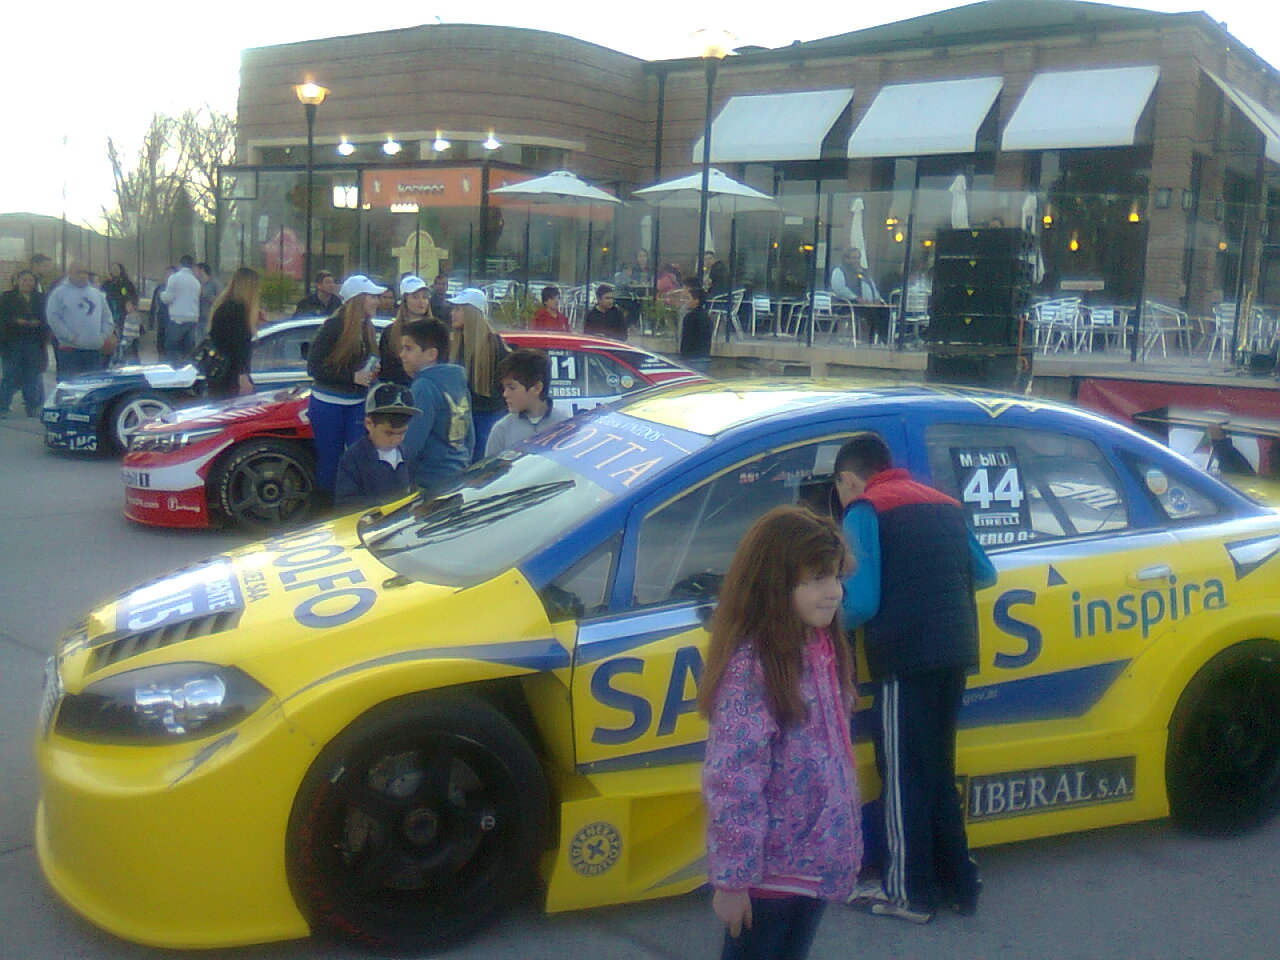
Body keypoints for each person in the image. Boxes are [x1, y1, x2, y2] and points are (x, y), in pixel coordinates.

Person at [834, 431, 996, 924]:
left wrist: (816, 615)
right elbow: (984, 572)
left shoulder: (864, 510)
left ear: (848, 477)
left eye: (837, 487)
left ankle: (907, 893)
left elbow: (860, 602)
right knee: (937, 771)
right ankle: (958, 884)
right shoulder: (945, 504)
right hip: (955, 653)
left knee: (902, 775)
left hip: (906, 657)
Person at [698, 504, 863, 960]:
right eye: (816, 580)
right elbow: (732, 779)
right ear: (773, 585)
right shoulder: (753, 667)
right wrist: (732, 881)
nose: (833, 592)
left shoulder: (821, 648)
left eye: (835, 578)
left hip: (811, 865)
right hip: (766, 876)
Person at [306, 274, 386, 496]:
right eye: (372, 296)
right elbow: (314, 368)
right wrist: (351, 377)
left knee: (360, 457)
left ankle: (353, 507)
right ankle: (327, 512)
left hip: (358, 403)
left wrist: (372, 372)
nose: (377, 301)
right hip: (328, 404)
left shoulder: (367, 328)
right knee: (330, 461)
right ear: (358, 299)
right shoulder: (333, 326)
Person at [399, 318, 473, 488]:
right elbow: (469, 434)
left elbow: (411, 441)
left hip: (429, 479)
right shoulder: (457, 381)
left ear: (431, 354)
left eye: (408, 348)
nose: (402, 354)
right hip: (459, 471)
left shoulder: (424, 386)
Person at [334, 382, 422, 511]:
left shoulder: (406, 453)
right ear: (369, 424)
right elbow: (346, 504)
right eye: (389, 433)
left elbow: (414, 488)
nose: (396, 440)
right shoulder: (353, 458)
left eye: (402, 432)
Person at [446, 287, 509, 459]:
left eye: (458, 309)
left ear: (472, 312)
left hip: (488, 417)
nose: (453, 313)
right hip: (463, 416)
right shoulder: (456, 343)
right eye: (453, 309)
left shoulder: (494, 345)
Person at [484, 348, 571, 456]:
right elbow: (491, 471)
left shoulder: (565, 425)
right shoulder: (502, 430)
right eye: (504, 387)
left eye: (512, 387)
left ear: (536, 388)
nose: (505, 394)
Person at [45, 262, 115, 378]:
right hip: (70, 351)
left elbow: (107, 318)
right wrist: (69, 337)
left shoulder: (97, 294)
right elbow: (53, 318)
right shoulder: (59, 294)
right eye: (79, 272)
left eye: (85, 273)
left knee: (92, 388)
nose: (83, 276)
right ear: (70, 273)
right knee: (70, 389)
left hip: (94, 352)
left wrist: (102, 337)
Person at [205, 267, 262, 400]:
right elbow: (238, 346)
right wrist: (242, 375)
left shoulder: (223, 306)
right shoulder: (238, 310)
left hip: (221, 373)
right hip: (232, 376)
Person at [0, 270, 49, 417]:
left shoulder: (41, 298)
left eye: (30, 280)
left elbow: (47, 318)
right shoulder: (7, 298)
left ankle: (33, 406)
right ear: (17, 281)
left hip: (34, 341)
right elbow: (2, 318)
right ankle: (3, 406)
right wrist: (15, 321)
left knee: (33, 375)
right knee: (11, 374)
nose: (27, 283)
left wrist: (38, 323)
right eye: (24, 280)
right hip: (12, 342)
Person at [379, 275, 433, 385]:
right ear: (404, 301)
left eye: (424, 297)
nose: (422, 301)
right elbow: (385, 370)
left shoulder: (437, 330)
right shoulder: (390, 332)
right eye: (415, 297)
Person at [831, 249, 887, 344]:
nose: (856, 260)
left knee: (885, 311)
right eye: (854, 258)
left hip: (869, 303)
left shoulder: (864, 272)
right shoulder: (839, 271)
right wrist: (856, 298)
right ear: (846, 259)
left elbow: (873, 286)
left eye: (858, 258)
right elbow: (839, 289)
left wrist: (877, 298)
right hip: (848, 303)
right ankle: (872, 339)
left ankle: (882, 339)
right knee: (872, 313)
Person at [160, 254, 202, 362]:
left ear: (180, 264)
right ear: (191, 266)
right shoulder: (196, 282)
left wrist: (162, 295)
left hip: (177, 319)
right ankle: (187, 370)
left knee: (170, 347)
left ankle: (175, 370)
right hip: (193, 318)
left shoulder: (174, 278)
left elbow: (168, 298)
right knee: (188, 350)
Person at [678, 282, 713, 373]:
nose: (686, 301)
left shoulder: (690, 317)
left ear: (696, 301)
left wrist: (682, 357)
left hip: (691, 359)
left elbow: (686, 339)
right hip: (704, 357)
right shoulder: (707, 317)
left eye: (688, 298)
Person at [102, 263, 137, 341]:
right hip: (110, 308)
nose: (114, 271)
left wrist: (130, 303)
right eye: (113, 269)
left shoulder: (126, 282)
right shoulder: (107, 283)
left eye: (116, 269)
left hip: (122, 309)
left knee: (122, 329)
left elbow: (131, 294)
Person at [149, 266, 177, 359]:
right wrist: (151, 321)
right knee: (160, 343)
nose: (168, 277)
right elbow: (153, 305)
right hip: (161, 318)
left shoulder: (177, 289)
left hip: (174, 320)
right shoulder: (160, 288)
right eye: (167, 274)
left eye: (171, 274)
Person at [195, 262, 223, 338]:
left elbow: (221, 299)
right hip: (198, 318)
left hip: (210, 318)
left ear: (202, 271)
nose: (195, 272)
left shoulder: (216, 283)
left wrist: (206, 296)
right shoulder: (197, 283)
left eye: (197, 270)